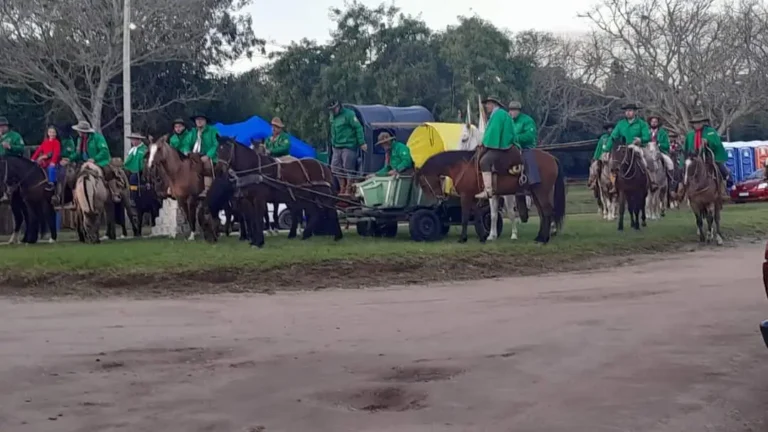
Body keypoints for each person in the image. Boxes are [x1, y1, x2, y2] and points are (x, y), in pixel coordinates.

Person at [65, 120, 120, 201]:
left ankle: (115, 193)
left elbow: (104, 151)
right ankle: (74, 197)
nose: (79, 132)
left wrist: (94, 159)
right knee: (72, 177)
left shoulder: (97, 138)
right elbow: (78, 153)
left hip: (99, 162)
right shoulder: (79, 139)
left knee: (108, 172)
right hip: (83, 163)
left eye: (80, 131)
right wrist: (69, 159)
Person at [475, 96, 515, 199]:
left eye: (488, 104)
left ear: (494, 104)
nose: (486, 106)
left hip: (502, 147)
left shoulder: (498, 115)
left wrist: (483, 144)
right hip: (501, 145)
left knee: (484, 161)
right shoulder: (498, 115)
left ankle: (488, 190)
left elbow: (493, 133)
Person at [328, 100, 365, 195]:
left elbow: (358, 127)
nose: (333, 111)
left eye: (334, 108)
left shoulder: (349, 114)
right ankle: (342, 186)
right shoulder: (332, 117)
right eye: (331, 109)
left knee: (348, 167)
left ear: (339, 106)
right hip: (336, 146)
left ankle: (349, 188)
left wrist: (361, 142)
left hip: (348, 145)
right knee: (334, 167)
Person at [683, 112, 729, 190]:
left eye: (699, 122)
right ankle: (682, 189)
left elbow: (717, 143)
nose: (697, 125)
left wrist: (708, 142)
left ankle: (726, 181)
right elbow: (686, 148)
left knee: (719, 167)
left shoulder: (710, 131)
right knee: (685, 169)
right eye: (695, 123)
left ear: (702, 123)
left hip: (708, 156)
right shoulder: (690, 135)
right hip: (693, 157)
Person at [610, 103, 652, 182]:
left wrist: (640, 140)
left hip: (638, 147)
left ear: (635, 112)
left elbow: (647, 137)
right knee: (613, 163)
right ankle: (614, 185)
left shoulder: (642, 123)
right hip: (623, 147)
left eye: (630, 110)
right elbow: (613, 137)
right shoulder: (620, 124)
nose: (628, 112)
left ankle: (651, 181)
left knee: (648, 160)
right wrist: (606, 149)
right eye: (626, 111)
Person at [189, 114, 219, 196]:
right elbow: (187, 143)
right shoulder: (193, 132)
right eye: (197, 119)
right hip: (195, 155)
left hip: (211, 156)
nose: (199, 121)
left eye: (201, 119)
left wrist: (208, 155)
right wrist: (185, 150)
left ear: (206, 121)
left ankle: (207, 188)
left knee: (206, 164)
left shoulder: (213, 131)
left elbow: (216, 144)